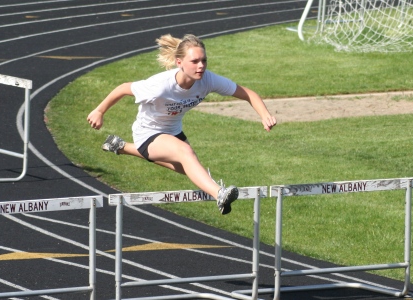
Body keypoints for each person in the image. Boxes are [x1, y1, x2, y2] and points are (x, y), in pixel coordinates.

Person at [87, 33, 277, 215]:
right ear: (180, 63)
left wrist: (264, 114)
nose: (201, 66)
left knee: (186, 168)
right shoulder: (159, 85)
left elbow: (247, 93)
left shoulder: (208, 80)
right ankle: (219, 194)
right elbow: (123, 88)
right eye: (194, 62)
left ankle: (121, 147)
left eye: (204, 61)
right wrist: (99, 111)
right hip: (148, 133)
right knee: (186, 154)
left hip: (173, 131)